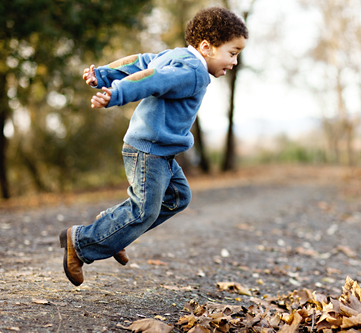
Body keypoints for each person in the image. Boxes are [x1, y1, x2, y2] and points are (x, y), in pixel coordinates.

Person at [59, 6, 248, 286]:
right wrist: (117, 93)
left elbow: (141, 61)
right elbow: (153, 79)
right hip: (149, 150)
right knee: (144, 211)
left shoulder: (177, 56)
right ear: (207, 47)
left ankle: (113, 232)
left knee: (178, 198)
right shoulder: (193, 70)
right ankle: (82, 242)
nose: (233, 62)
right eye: (232, 53)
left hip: (160, 151)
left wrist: (104, 74)